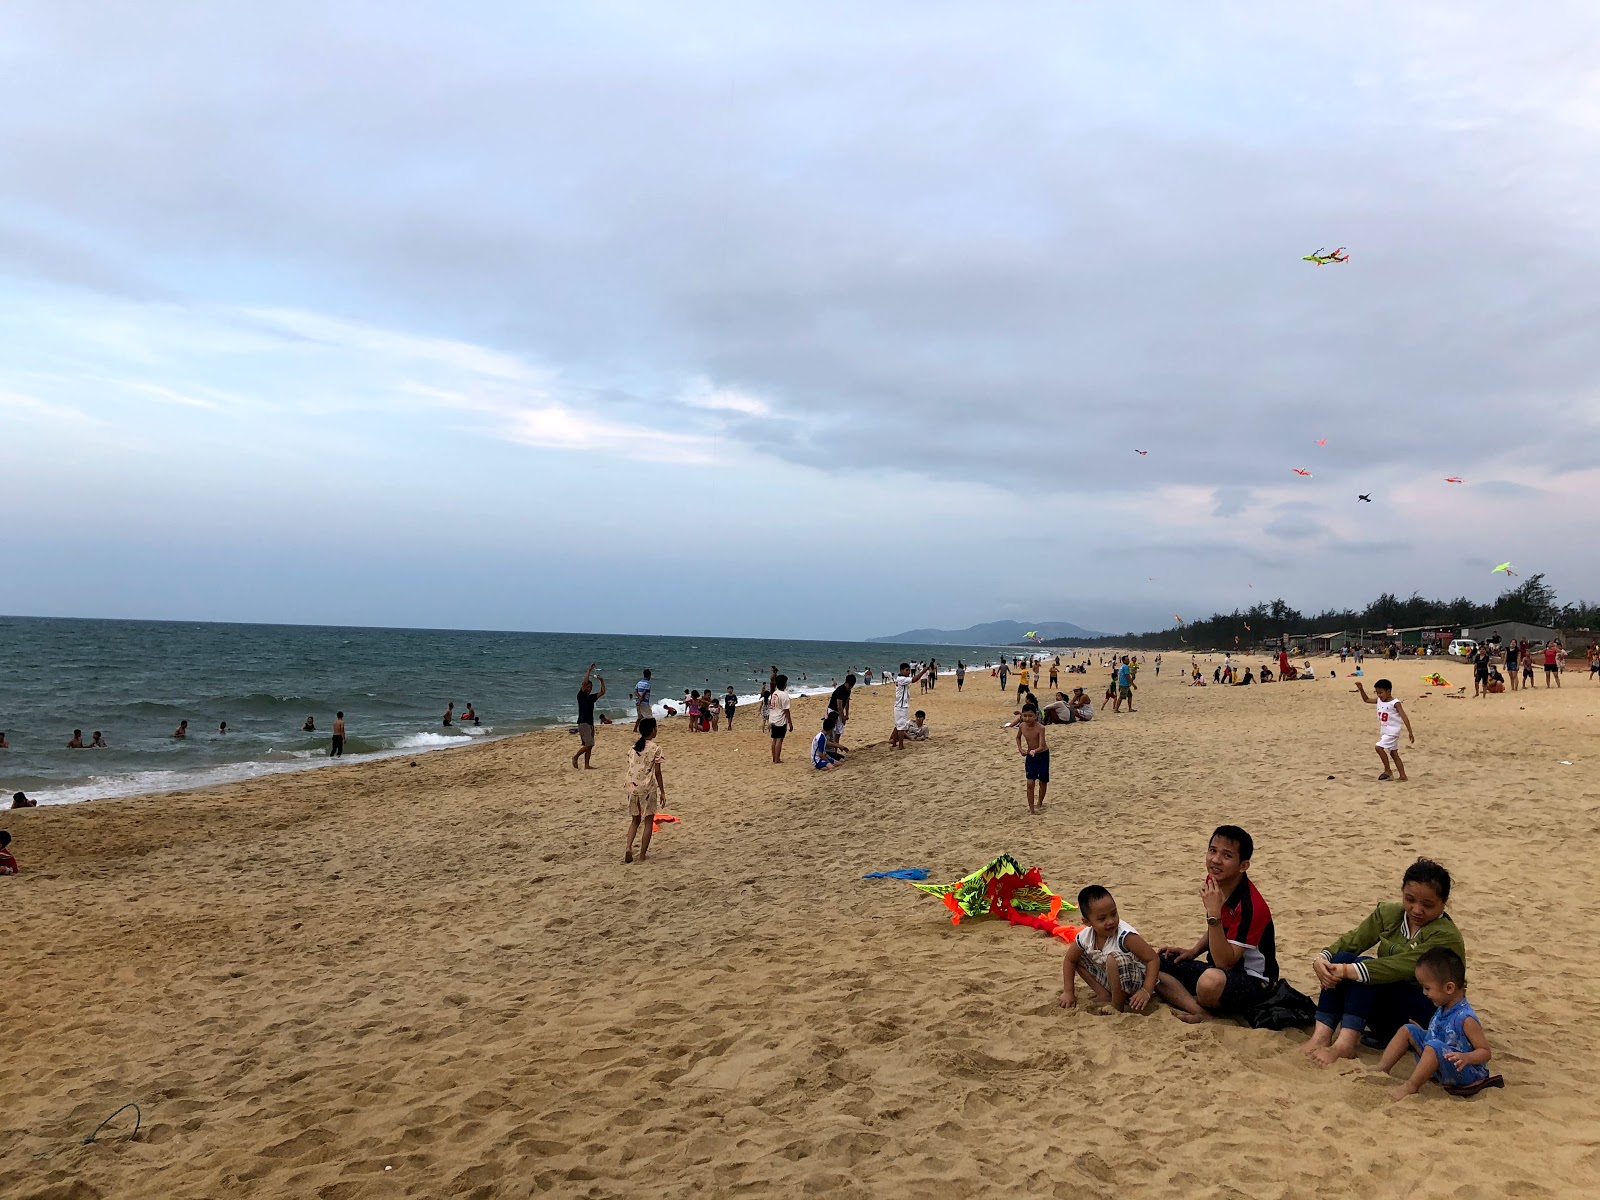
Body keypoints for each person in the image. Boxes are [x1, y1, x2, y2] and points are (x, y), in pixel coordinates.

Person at [1301, 858, 1463, 1064]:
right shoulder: (1389, 914)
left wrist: (1347, 970)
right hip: (1389, 1001)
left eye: (1427, 904)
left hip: (1425, 1009)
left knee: (1365, 971)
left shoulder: (1446, 936)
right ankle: (1321, 1037)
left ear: (1443, 902)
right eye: (1410, 899)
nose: (1416, 909)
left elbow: (1402, 967)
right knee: (1343, 959)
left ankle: (1345, 1045)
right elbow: (1353, 940)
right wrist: (1323, 959)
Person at [1157, 825, 1278, 1022]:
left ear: (1243, 866)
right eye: (1212, 851)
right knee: (1156, 963)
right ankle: (1199, 1010)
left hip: (1255, 982)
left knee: (1209, 982)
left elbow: (1226, 962)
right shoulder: (1215, 881)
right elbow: (1221, 928)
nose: (1216, 860)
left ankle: (1197, 1007)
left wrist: (1213, 913)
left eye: (1227, 856)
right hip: (1218, 969)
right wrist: (1193, 951)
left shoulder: (1251, 906)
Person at [1376, 947, 1496, 1100]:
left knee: (1434, 1047)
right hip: (1441, 1059)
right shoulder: (1443, 1007)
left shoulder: (1466, 1019)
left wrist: (1467, 1057)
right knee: (1408, 1029)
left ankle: (1411, 1086)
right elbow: (1446, 1037)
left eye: (1427, 988)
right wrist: (1426, 1033)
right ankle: (1382, 1068)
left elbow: (1485, 1051)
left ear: (1449, 988)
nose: (1424, 993)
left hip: (1464, 1070)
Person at [1059, 885, 1161, 1013]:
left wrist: (1146, 990)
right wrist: (1068, 992)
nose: (1110, 921)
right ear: (1087, 922)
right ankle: (1104, 994)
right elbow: (1069, 960)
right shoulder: (1086, 937)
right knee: (1078, 957)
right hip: (1113, 980)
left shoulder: (1126, 936)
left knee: (1113, 959)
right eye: (1102, 919)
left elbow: (1153, 959)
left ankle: (1116, 1006)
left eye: (1113, 914)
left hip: (1135, 982)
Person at [623, 718, 666, 864]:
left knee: (635, 820)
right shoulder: (656, 748)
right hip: (647, 787)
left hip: (631, 786)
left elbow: (631, 764)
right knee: (648, 821)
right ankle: (642, 855)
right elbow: (658, 773)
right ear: (652, 730)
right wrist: (662, 791)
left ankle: (628, 847)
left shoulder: (634, 746)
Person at [1355, 678, 1414, 782]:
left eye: (1381, 693)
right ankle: (1403, 776)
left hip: (1393, 732)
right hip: (1385, 731)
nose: (1379, 695)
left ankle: (1388, 771)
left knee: (1378, 747)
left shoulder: (1395, 703)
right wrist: (1361, 689)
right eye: (1377, 693)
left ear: (1388, 691)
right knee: (1393, 753)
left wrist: (1410, 732)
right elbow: (1367, 700)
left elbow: (1404, 716)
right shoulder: (1379, 701)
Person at [889, 662, 932, 749]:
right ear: (901, 670)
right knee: (901, 727)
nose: (908, 672)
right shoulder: (901, 679)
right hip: (901, 706)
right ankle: (900, 745)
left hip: (899, 705)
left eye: (909, 670)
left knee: (898, 725)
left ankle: (894, 743)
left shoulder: (901, 678)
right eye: (906, 670)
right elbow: (914, 680)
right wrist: (923, 671)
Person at [1015, 708, 1049, 814]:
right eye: (1025, 716)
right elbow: (1018, 737)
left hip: (1042, 755)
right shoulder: (1021, 726)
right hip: (1031, 755)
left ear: (1035, 716)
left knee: (1043, 781)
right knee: (1030, 782)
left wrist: (1035, 750)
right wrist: (1020, 749)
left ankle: (1039, 803)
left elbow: (1042, 745)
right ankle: (1031, 808)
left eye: (1030, 716)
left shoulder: (1040, 728)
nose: (1027, 718)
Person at [768, 674, 794, 763]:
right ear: (785, 684)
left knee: (774, 739)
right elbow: (786, 711)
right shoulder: (784, 695)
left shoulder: (774, 694)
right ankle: (777, 759)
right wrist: (790, 723)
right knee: (779, 739)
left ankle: (774, 758)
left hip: (773, 718)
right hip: (780, 720)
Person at [828, 674, 855, 748]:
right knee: (832, 731)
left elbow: (847, 702)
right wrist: (842, 717)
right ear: (846, 683)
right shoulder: (840, 691)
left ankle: (836, 747)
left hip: (840, 711)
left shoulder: (848, 691)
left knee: (839, 731)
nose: (850, 688)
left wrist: (847, 714)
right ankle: (831, 748)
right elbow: (839, 707)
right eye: (849, 686)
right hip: (833, 710)